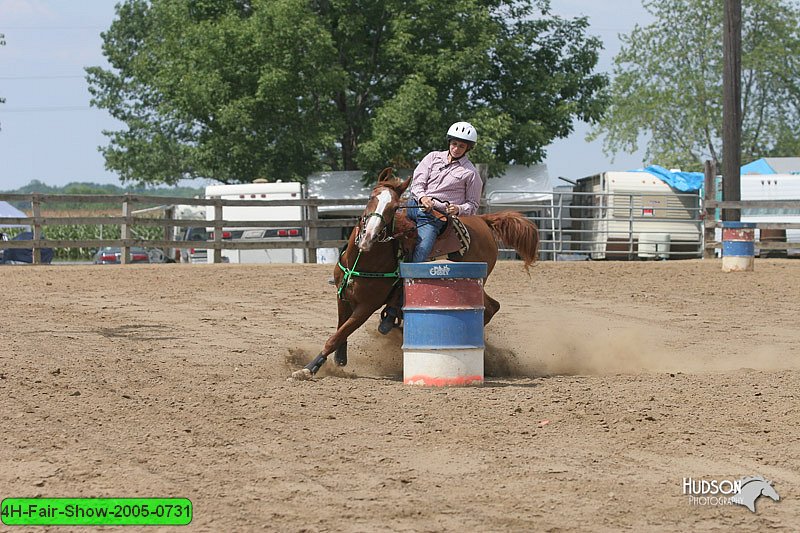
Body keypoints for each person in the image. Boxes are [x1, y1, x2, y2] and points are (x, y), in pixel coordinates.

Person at [378, 121, 482, 334]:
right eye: (454, 143)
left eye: (461, 146)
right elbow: (417, 182)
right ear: (449, 142)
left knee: (420, 253)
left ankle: (395, 307)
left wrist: (457, 209)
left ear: (468, 149)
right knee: (376, 226)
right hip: (415, 206)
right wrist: (423, 196)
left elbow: (472, 205)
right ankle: (351, 271)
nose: (456, 148)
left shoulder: (471, 173)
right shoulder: (432, 157)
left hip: (436, 217)